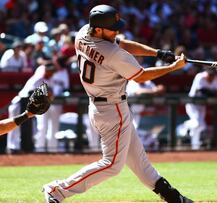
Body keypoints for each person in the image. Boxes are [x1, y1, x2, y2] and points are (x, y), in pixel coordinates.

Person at [42, 5, 193, 203]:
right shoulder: (112, 54)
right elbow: (140, 76)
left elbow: (121, 43)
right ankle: (57, 190)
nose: (117, 31)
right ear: (98, 29)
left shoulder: (82, 34)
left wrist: (157, 53)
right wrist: (172, 67)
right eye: (112, 28)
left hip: (100, 106)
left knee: (139, 162)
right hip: (112, 109)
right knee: (112, 165)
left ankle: (173, 197)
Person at [7, 64, 55, 154]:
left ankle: (21, 147)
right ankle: (12, 148)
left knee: (27, 127)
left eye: (53, 71)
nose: (51, 73)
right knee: (14, 125)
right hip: (20, 101)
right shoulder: (38, 78)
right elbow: (31, 93)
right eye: (50, 71)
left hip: (26, 104)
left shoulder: (48, 80)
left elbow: (50, 94)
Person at [34, 57, 70, 152]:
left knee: (54, 126)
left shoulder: (64, 72)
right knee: (42, 126)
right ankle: (39, 149)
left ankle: (52, 149)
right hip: (43, 102)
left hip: (56, 101)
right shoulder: (42, 70)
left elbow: (65, 88)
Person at [183, 69, 217, 150]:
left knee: (202, 126)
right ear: (206, 73)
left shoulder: (215, 77)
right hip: (192, 104)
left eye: (213, 75)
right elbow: (203, 91)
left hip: (202, 105)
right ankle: (181, 128)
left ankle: (195, 145)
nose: (212, 77)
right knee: (197, 124)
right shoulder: (200, 76)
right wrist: (216, 94)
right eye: (210, 75)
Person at [126, 79, 166, 151]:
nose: (142, 77)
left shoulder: (147, 82)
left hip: (138, 113)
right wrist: (154, 91)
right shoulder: (132, 82)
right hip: (128, 112)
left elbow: (161, 88)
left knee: (136, 133)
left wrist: (156, 90)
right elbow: (139, 92)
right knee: (132, 133)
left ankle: (146, 146)